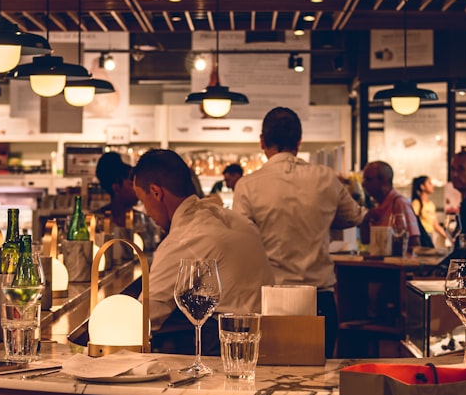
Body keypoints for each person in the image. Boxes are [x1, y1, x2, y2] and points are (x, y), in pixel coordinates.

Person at [233, 106, 362, 358]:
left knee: (268, 381)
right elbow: (355, 216)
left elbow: (242, 239)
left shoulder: (247, 185)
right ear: (299, 142)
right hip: (319, 298)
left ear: (262, 142)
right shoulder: (326, 178)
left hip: (268, 298)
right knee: (318, 380)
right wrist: (321, 218)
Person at [132, 148, 274, 355]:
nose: (146, 211)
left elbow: (145, 314)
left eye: (143, 201)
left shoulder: (187, 237)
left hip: (229, 345)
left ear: (156, 192)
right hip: (270, 338)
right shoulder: (233, 219)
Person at [358, 161, 420, 247]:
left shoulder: (399, 203)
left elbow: (415, 243)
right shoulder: (378, 206)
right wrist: (365, 220)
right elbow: (366, 241)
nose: (363, 184)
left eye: (368, 179)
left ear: (384, 181)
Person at [95, 151, 139, 228]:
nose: (137, 189)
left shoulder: (142, 219)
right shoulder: (96, 221)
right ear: (116, 187)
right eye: (131, 184)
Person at [411, 176, 447, 247]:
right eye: (429, 183)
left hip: (430, 236)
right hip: (421, 236)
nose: (432, 186)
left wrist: (449, 237)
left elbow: (435, 224)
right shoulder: (416, 203)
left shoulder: (431, 204)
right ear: (422, 186)